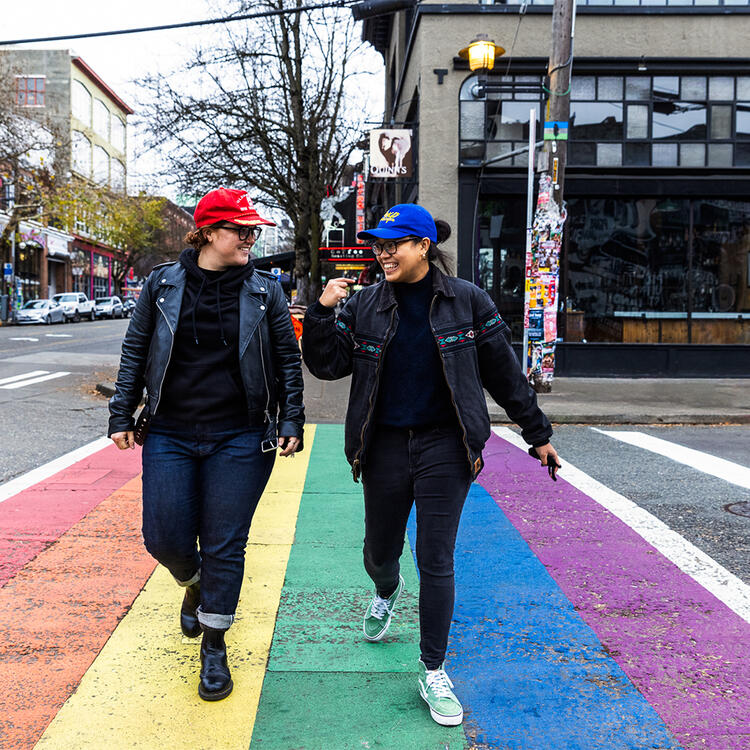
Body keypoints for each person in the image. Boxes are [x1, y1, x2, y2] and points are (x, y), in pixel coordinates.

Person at [301, 203, 559, 726]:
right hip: (384, 446)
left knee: (437, 557)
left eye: (394, 243)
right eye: (378, 244)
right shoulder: (366, 305)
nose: (383, 252)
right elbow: (327, 366)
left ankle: (433, 668)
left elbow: (504, 375)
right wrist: (322, 313)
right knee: (380, 550)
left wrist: (538, 435)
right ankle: (385, 589)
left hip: (448, 445)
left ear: (423, 246)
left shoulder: (467, 302)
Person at [108, 187, 304, 701]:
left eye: (252, 231)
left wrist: (292, 418)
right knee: (164, 538)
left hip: (239, 435)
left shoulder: (266, 290)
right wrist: (120, 411)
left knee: (225, 542)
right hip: (170, 431)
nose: (250, 238)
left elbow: (286, 356)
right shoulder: (162, 285)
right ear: (207, 233)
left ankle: (214, 646)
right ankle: (192, 583)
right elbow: (136, 350)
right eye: (241, 231)